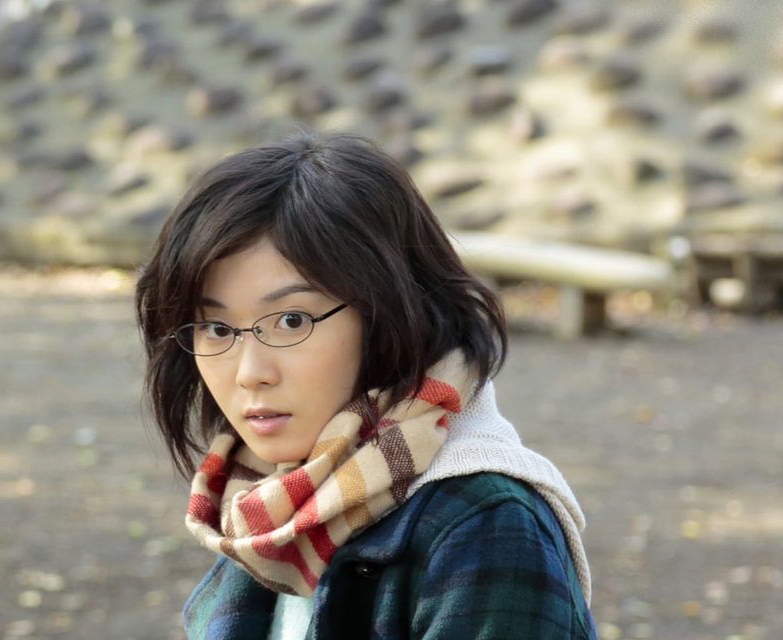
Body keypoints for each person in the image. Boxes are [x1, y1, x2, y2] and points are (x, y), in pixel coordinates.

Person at [133, 131, 595, 639]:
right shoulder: (271, 498)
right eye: (217, 328)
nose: (249, 372)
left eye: (291, 320)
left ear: (389, 313)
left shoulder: (483, 525)